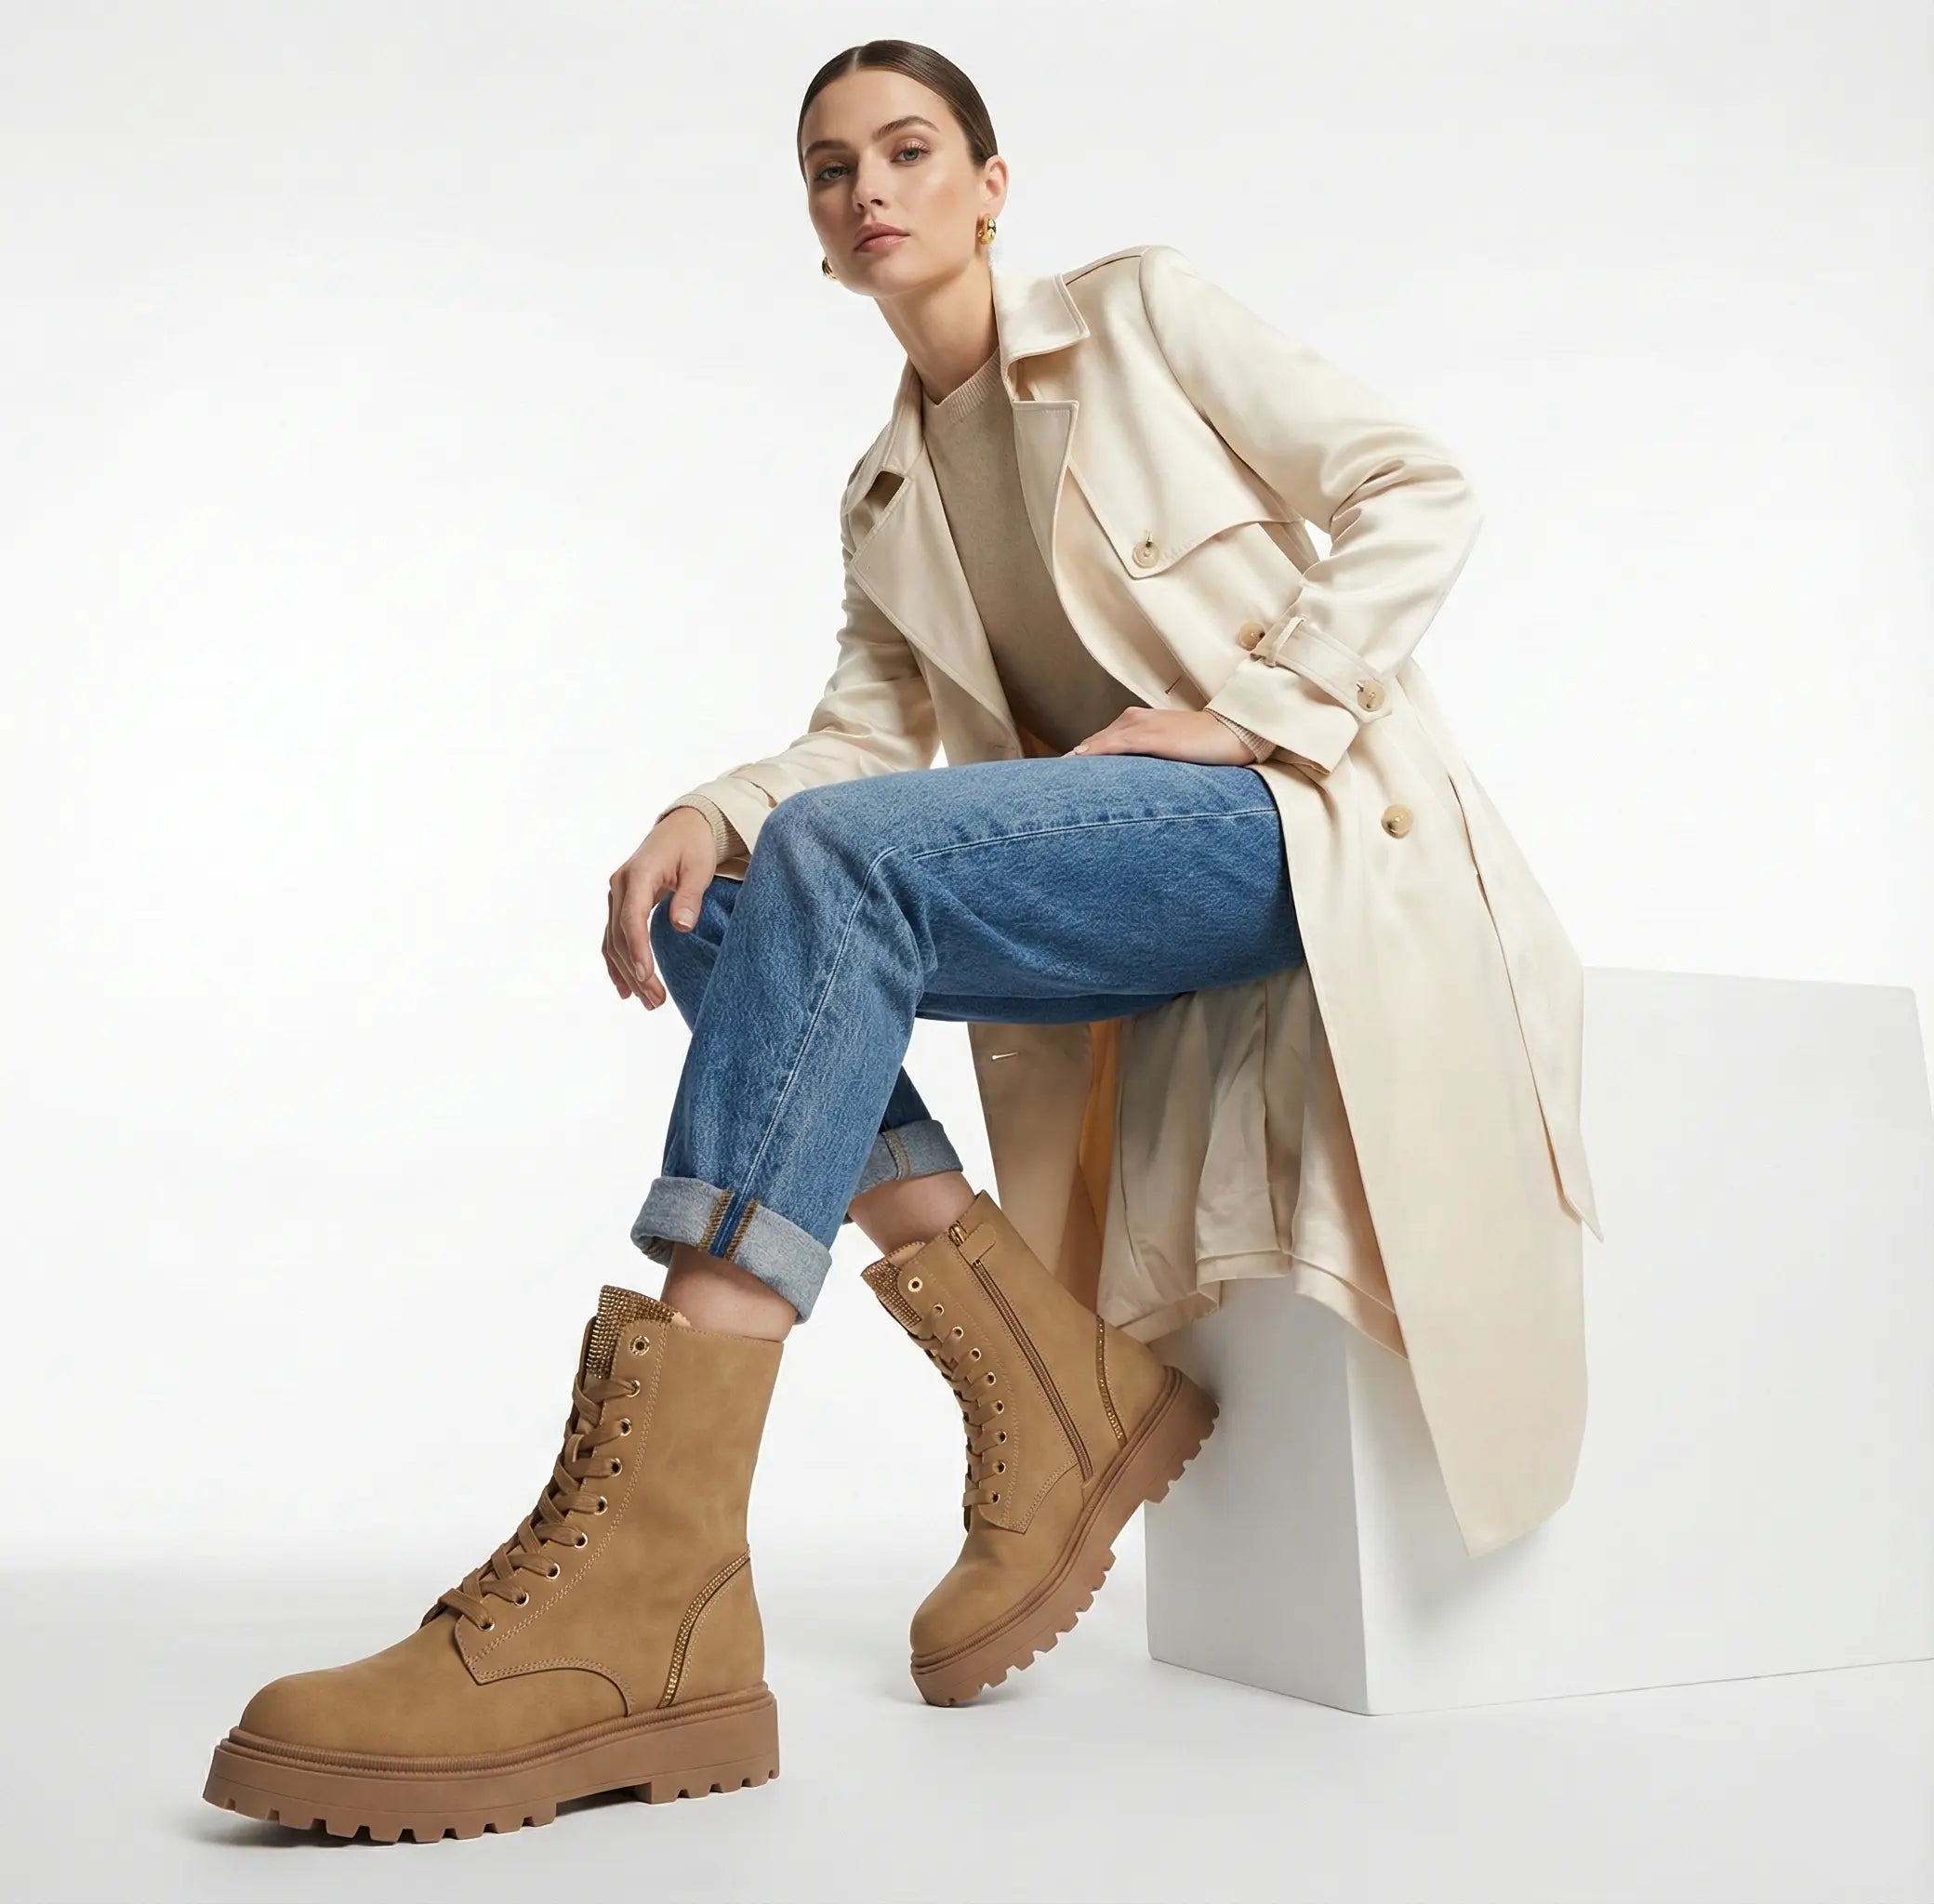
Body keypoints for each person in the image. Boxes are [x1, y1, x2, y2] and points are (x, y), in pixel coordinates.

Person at [204, 37, 1476, 1841]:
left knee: (830, 858)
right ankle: (1045, 1385)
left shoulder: (1141, 320)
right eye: (827, 170)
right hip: (1100, 882)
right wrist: (705, 810)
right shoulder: (882, 494)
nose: (867, 189)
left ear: (987, 185)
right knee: (738, 889)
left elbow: (1414, 486)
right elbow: (864, 748)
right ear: (812, 231)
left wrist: (1257, 706)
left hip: (1286, 830)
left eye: (905, 150)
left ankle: (651, 1567)